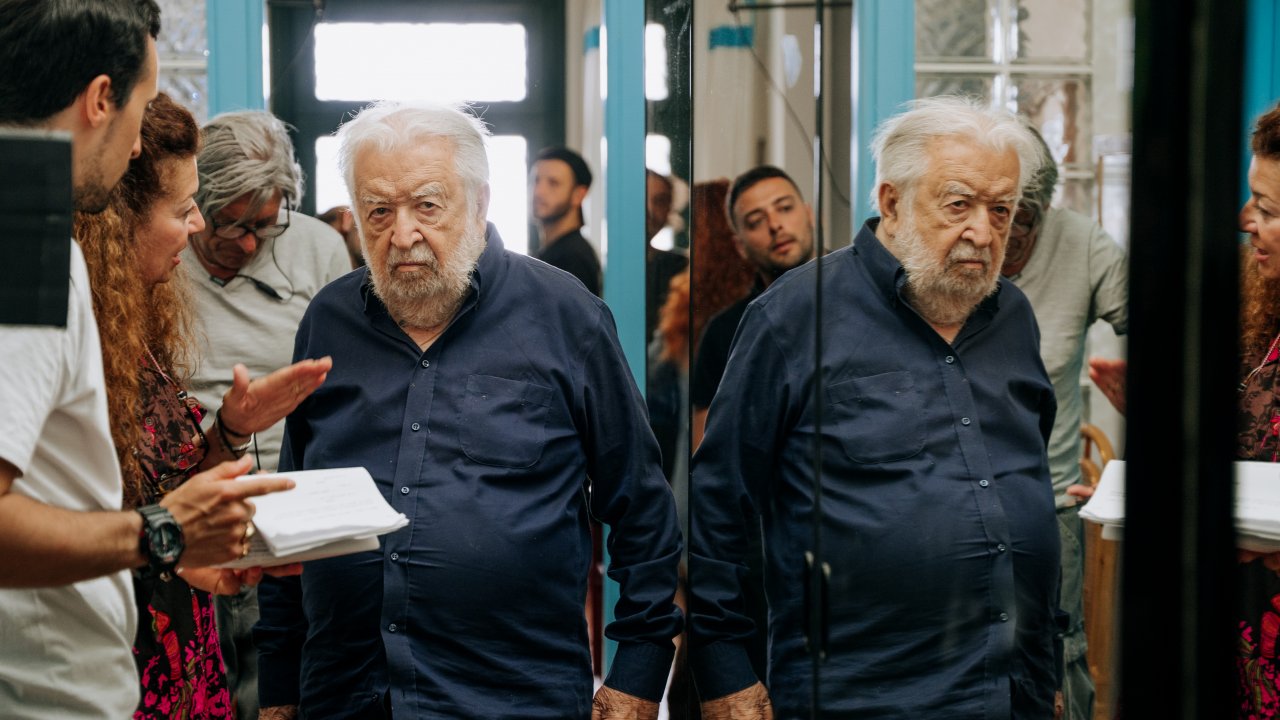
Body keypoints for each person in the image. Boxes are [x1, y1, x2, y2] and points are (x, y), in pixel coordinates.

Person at [255, 102, 683, 719]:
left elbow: (641, 507)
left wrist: (638, 675)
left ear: (480, 202)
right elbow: (292, 518)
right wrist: (278, 691)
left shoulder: (567, 317)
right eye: (379, 211)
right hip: (347, 699)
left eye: (427, 206)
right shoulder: (328, 321)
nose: (402, 234)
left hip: (515, 701)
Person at [688, 96, 1059, 718]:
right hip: (861, 695)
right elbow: (717, 502)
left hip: (1011, 691)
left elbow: (1026, 484)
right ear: (892, 203)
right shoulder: (794, 317)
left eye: (1001, 210)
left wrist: (1042, 669)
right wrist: (725, 671)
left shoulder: (1013, 317)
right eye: (959, 205)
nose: (984, 232)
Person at [0, 3, 294, 718]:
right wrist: (162, 532)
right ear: (101, 98)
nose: (134, 145)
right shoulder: (25, 238)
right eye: (142, 103)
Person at [75, 92, 328, 719]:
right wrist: (166, 538)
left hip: (191, 603)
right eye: (191, 211)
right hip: (124, 640)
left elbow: (166, 488)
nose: (197, 231)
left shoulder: (138, 323)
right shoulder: (81, 323)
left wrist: (233, 430)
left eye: (264, 226)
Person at [178, 109, 350, 720]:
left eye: (265, 224)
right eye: (233, 225)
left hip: (289, 508)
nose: (250, 242)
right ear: (196, 205)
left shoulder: (318, 249)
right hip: (184, 505)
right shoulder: (163, 250)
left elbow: (346, 389)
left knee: (273, 690)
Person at [1000, 124, 1128, 720]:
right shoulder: (949, 239)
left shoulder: (1084, 245)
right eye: (993, 212)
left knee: (1061, 655)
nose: (1001, 237)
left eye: (1020, 219)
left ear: (1045, 210)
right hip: (942, 498)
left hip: (1048, 505)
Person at [690, 165, 816, 450]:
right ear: (740, 246)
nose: (775, 225)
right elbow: (706, 449)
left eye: (785, 208)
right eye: (755, 221)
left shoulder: (861, 293)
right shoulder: (727, 332)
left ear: (809, 214)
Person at [530, 145, 601, 296]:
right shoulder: (554, 252)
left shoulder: (573, 259)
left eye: (553, 183)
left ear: (578, 195)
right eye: (536, 181)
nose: (538, 192)